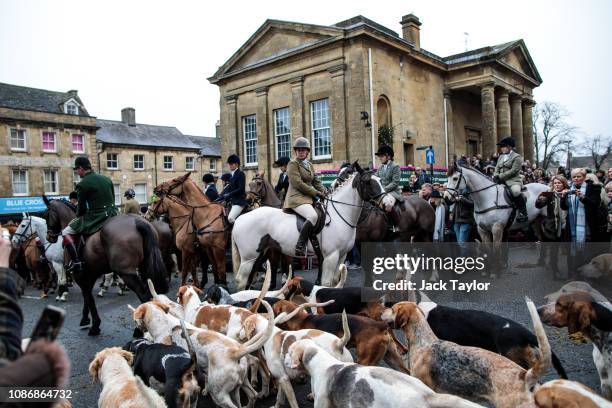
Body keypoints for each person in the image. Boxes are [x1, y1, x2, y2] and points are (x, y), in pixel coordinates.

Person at [0, 230, 70, 406]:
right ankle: (74, 260)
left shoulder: (70, 204)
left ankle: (74, 260)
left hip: (92, 216)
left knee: (69, 231)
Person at [62, 157, 118, 273]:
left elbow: (81, 208)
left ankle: (76, 261)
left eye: (76, 170)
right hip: (113, 214)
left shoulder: (82, 184)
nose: (77, 172)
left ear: (81, 168)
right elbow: (113, 198)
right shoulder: (106, 179)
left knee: (66, 231)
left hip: (97, 217)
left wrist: (78, 216)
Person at [284, 137, 327, 257]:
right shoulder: (293, 164)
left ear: (307, 151)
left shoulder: (309, 164)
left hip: (308, 198)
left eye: (303, 150)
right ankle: (300, 245)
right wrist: (315, 192)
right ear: (295, 151)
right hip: (296, 198)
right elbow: (297, 183)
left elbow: (316, 181)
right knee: (313, 216)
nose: (301, 151)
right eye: (298, 150)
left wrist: (325, 191)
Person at [493, 137, 527, 223]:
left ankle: (523, 212)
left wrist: (500, 176)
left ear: (510, 147)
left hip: (513, 181)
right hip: (500, 180)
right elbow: (496, 168)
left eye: (503, 146)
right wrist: (495, 175)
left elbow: (514, 171)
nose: (501, 148)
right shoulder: (501, 156)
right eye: (501, 147)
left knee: (515, 192)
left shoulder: (517, 157)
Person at [221, 154, 248, 224]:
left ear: (236, 164)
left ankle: (240, 231)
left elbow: (240, 188)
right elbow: (229, 188)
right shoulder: (231, 175)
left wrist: (229, 194)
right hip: (233, 201)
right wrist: (222, 196)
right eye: (229, 164)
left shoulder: (240, 173)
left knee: (230, 218)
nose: (229, 165)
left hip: (239, 201)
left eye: (231, 164)